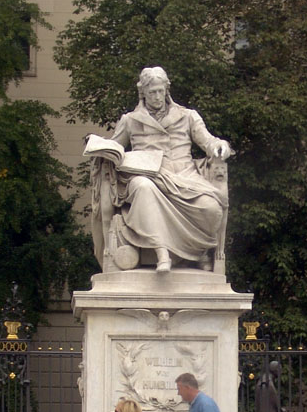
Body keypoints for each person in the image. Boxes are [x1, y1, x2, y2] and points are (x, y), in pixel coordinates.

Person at [89, 66, 232, 273]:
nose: (157, 97)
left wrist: (220, 146)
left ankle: (197, 252)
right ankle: (161, 252)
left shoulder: (188, 116)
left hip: (184, 176)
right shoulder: (130, 120)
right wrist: (102, 149)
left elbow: (208, 141)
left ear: (167, 90)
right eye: (151, 92)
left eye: (160, 91)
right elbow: (115, 146)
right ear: (143, 93)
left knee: (210, 207)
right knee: (142, 187)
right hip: (148, 175)